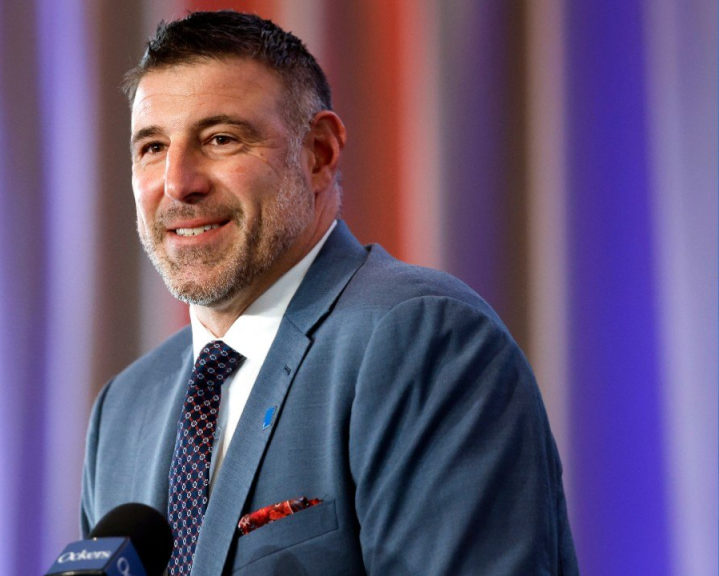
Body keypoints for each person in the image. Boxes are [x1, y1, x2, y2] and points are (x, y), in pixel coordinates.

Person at [81, 10, 578, 576]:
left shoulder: (425, 341)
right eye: (151, 147)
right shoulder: (123, 408)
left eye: (220, 139)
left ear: (318, 153)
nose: (177, 183)